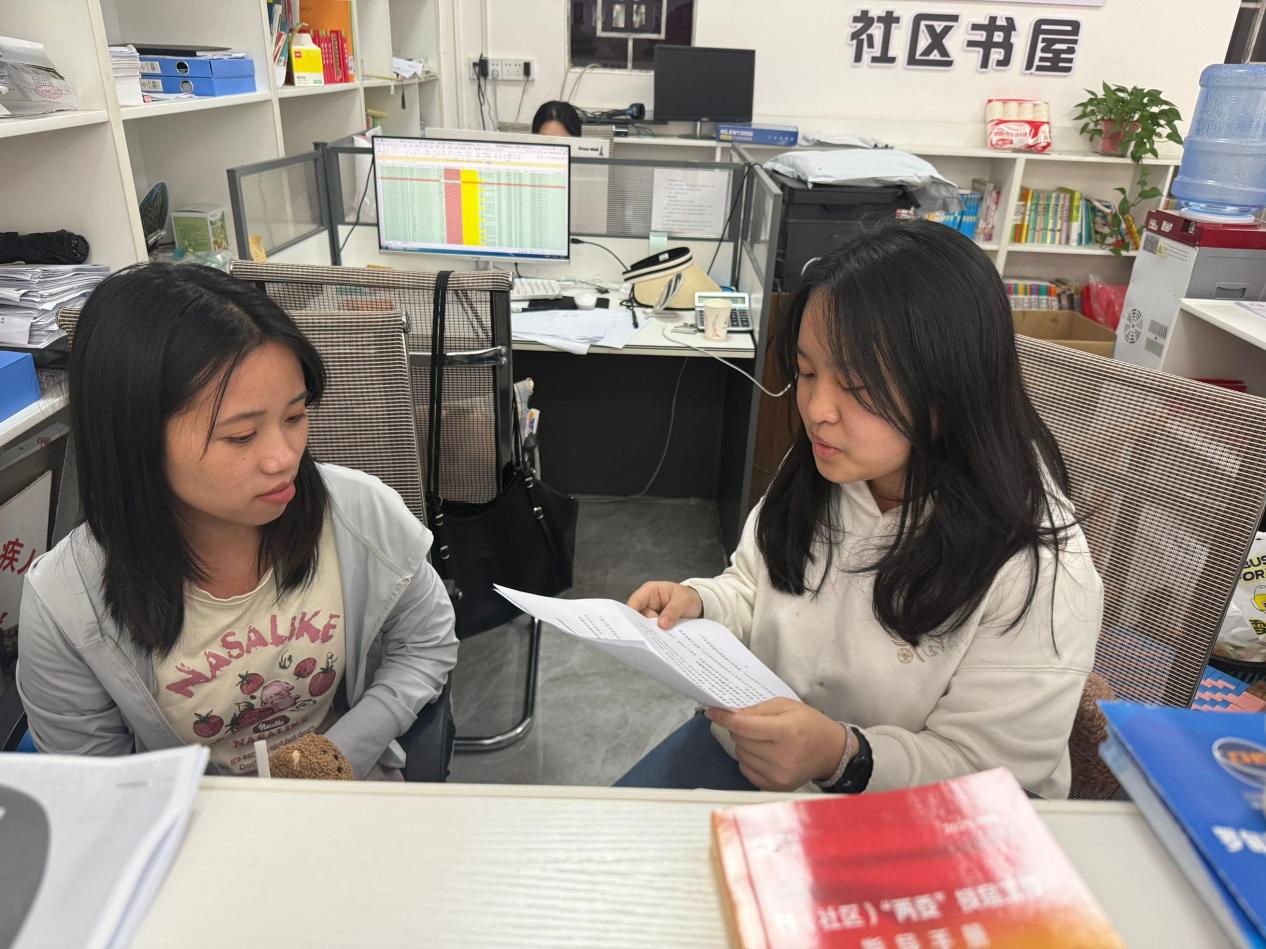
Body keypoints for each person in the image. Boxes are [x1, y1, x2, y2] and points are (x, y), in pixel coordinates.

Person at [618, 220, 1104, 800]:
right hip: (746, 755)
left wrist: (839, 755)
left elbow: (995, 776)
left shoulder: (1039, 567)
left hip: (904, 817)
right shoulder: (831, 466)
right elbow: (757, 586)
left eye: (858, 386)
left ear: (950, 387)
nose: (816, 409)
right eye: (806, 372)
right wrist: (703, 603)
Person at [17, 264, 458, 779]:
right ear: (135, 439)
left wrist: (337, 755)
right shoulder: (68, 602)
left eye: (295, 416)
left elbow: (427, 642)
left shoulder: (359, 513)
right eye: (241, 437)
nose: (284, 458)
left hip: (347, 794)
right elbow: (95, 788)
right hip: (190, 821)